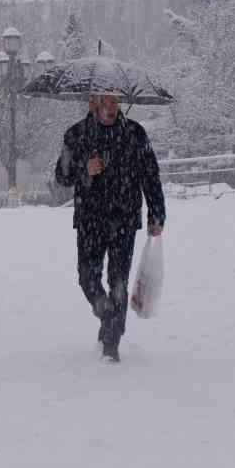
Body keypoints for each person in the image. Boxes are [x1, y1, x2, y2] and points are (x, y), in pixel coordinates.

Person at [53, 93, 165, 362]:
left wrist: (157, 212)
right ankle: (107, 314)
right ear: (93, 103)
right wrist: (84, 168)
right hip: (90, 220)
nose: (111, 107)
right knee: (87, 277)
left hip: (124, 219)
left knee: (118, 281)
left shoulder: (135, 134)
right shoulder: (76, 134)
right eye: (105, 102)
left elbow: (151, 175)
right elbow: (61, 177)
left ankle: (111, 342)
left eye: (115, 101)